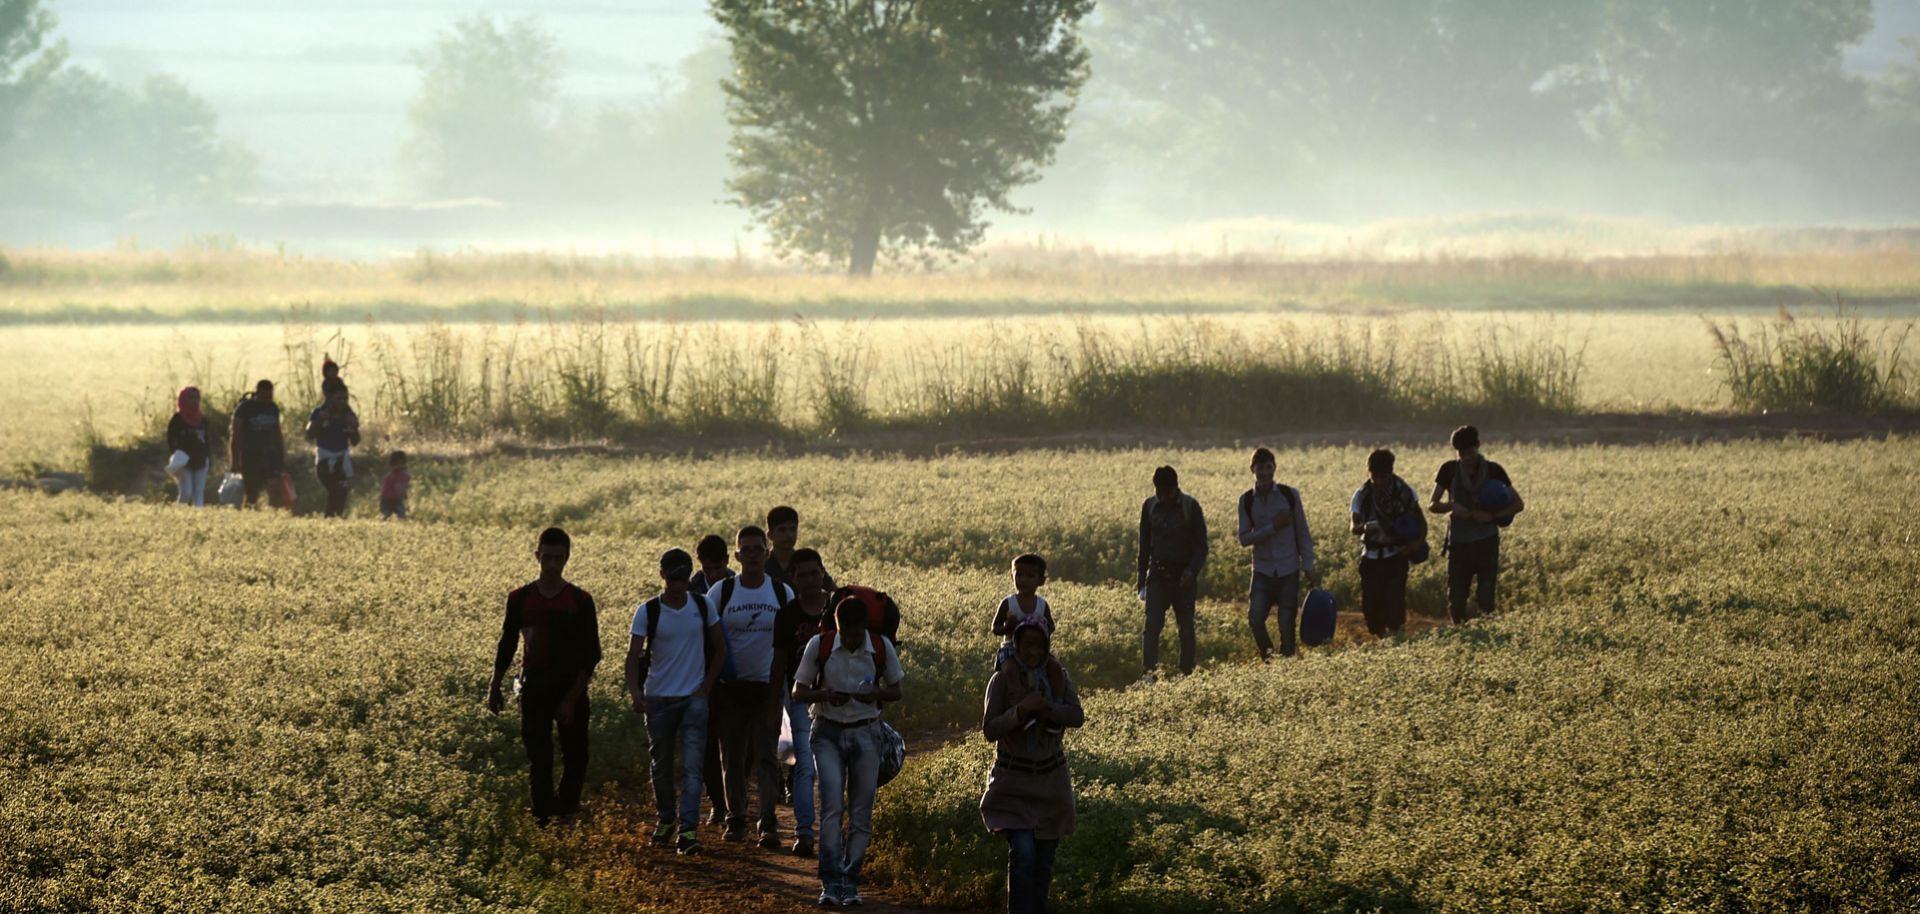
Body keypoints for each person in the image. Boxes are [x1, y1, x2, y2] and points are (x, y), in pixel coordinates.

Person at [792, 595, 906, 907]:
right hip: (827, 731)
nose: (851, 640)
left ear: (864, 628)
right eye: (845, 634)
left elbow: (896, 689)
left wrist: (876, 693)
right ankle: (830, 883)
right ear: (837, 627)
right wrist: (823, 694)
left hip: (867, 733)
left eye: (856, 634)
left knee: (861, 813)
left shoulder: (881, 646)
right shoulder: (821, 644)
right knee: (831, 809)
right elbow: (798, 691)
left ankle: (850, 882)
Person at [489, 527, 601, 827]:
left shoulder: (580, 601)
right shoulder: (519, 599)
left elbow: (591, 655)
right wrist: (495, 685)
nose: (551, 564)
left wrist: (571, 699)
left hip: (570, 687)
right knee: (539, 757)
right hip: (534, 686)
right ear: (537, 556)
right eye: (547, 557)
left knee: (576, 754)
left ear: (567, 558)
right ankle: (542, 818)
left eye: (558, 558)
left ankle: (566, 813)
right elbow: (507, 643)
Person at [626, 548, 725, 856]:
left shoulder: (702, 605)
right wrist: (636, 693)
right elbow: (633, 657)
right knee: (662, 766)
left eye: (683, 578)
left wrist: (705, 688)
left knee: (693, 766)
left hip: (693, 699)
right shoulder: (648, 611)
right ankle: (667, 820)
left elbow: (720, 648)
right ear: (662, 577)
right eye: (673, 579)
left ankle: (688, 830)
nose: (679, 585)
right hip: (658, 699)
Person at [980, 621, 1084, 914]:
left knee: (1044, 862)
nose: (1034, 651)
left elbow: (1077, 715)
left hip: (1051, 784)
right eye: (1027, 645)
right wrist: (1022, 709)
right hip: (1012, 782)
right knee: (1023, 854)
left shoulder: (1058, 676)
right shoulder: (1001, 681)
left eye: (1039, 645)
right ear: (1016, 646)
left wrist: (1049, 709)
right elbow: (990, 729)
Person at [703, 525, 795, 848]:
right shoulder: (720, 594)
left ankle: (768, 823)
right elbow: (708, 641)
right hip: (730, 689)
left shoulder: (783, 594)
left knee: (768, 757)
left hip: (769, 689)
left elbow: (791, 645)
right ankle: (736, 818)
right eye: (748, 549)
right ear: (737, 555)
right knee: (732, 756)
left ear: (766, 554)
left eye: (759, 549)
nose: (754, 555)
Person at [770, 547, 832, 859]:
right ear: (793, 578)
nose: (809, 579)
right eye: (802, 574)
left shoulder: (837, 608)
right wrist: (773, 699)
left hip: (838, 700)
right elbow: (780, 660)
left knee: (834, 767)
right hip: (800, 698)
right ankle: (805, 833)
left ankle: (833, 832)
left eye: (814, 572)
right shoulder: (787, 615)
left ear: (823, 572)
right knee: (806, 766)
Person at [1428, 425, 1525, 622]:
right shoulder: (1449, 470)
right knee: (1456, 597)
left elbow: (1518, 504)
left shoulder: (1494, 471)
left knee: (1486, 597)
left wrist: (1491, 517)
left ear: (1478, 446)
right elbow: (1433, 504)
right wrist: (1452, 506)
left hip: (1486, 542)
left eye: (1470, 452)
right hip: (1459, 543)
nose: (1466, 457)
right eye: (1462, 453)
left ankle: (1486, 635)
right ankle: (1460, 633)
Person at [1236, 447, 1318, 661]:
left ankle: (1287, 667)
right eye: (1260, 468)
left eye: (1268, 467)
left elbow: (1302, 532)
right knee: (1255, 619)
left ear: (1274, 468)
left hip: (1288, 569)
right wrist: (1273, 526)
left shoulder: (1289, 496)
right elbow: (1244, 538)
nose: (1264, 473)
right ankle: (1270, 661)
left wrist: (1308, 566)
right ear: (1252, 469)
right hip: (1262, 570)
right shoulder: (1246, 501)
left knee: (1286, 625)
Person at [1136, 465, 1207, 683]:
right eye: (1159, 492)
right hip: (1157, 574)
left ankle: (1185, 674)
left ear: (1176, 487)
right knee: (1152, 625)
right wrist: (1141, 578)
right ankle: (1149, 674)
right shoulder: (1150, 506)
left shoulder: (1190, 507)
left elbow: (1201, 546)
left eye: (1166, 492)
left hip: (1183, 577)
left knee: (1185, 627)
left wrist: (1191, 571)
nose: (1163, 497)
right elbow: (1144, 544)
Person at [1351, 448, 1426, 638]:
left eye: (1383, 476)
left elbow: (1420, 521)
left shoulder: (1404, 492)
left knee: (1395, 605)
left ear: (1390, 472)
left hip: (1396, 557)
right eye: (1376, 476)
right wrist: (1367, 528)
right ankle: (1383, 639)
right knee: (1371, 608)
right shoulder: (1362, 495)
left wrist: (1417, 543)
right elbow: (1354, 526)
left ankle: (1395, 641)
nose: (1379, 481)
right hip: (1371, 558)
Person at [686, 532, 734, 825]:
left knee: (738, 740)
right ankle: (718, 801)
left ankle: (733, 793)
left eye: (718, 568)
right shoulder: (690, 589)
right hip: (701, 675)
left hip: (735, 675)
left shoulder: (738, 587)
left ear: (728, 562)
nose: (713, 575)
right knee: (706, 741)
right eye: (708, 568)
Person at [228, 379, 286, 509]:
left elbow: (278, 434)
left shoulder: (273, 408)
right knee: (252, 494)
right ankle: (248, 518)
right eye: (265, 396)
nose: (268, 400)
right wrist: (235, 461)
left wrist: (281, 458)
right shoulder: (244, 409)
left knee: (275, 490)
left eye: (270, 396)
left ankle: (274, 517)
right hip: (250, 456)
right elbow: (235, 436)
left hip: (270, 456)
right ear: (257, 393)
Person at [990, 553, 1055, 668]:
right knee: (1010, 671)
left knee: (1056, 670)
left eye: (1030, 576)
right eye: (1019, 575)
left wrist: (1040, 629)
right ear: (1012, 577)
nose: (1023, 580)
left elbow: (1051, 626)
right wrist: (1007, 628)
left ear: (1041, 580)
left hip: (1037, 652)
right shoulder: (1008, 603)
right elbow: (995, 627)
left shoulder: (1042, 605)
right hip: (1011, 650)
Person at [305, 385, 361, 518]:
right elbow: (310, 434)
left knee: (342, 491)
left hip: (341, 460)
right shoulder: (320, 412)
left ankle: (334, 520)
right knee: (334, 490)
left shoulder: (348, 415)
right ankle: (330, 520)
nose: (342, 402)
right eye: (339, 398)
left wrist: (353, 427)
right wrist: (320, 420)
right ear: (330, 399)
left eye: (345, 398)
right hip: (325, 459)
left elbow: (355, 441)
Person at [166, 386, 212, 508]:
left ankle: (199, 518)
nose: (195, 401)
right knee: (186, 492)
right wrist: (176, 455)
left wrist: (209, 460)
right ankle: (179, 514)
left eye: (197, 398)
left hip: (201, 459)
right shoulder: (177, 419)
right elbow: (171, 439)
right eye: (191, 398)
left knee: (199, 492)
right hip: (184, 460)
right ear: (183, 400)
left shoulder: (202, 419)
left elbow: (206, 440)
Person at [379, 451, 411, 520]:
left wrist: (404, 494)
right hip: (387, 499)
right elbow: (385, 491)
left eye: (401, 463)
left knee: (402, 515)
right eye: (397, 464)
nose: (399, 466)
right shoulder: (389, 477)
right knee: (386, 514)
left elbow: (405, 487)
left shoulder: (405, 476)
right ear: (392, 465)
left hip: (398, 500)